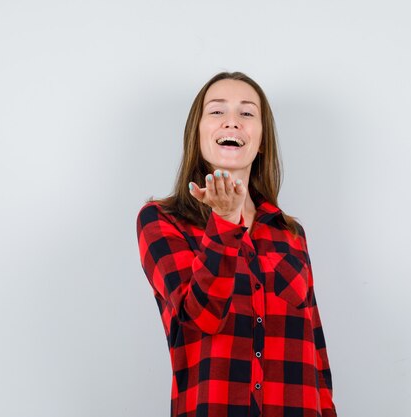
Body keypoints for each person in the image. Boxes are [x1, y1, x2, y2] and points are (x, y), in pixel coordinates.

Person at [136, 71, 337, 417]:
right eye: (216, 112)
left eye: (246, 113)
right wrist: (225, 223)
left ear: (261, 139)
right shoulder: (161, 220)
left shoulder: (290, 234)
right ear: (197, 134)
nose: (232, 122)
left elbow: (315, 352)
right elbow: (203, 316)